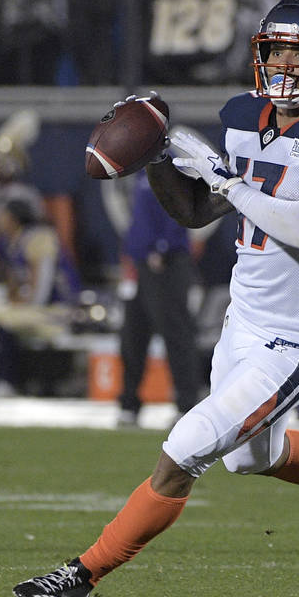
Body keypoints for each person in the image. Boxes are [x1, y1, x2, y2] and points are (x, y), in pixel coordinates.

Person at [13, 0, 299, 597]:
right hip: (243, 323)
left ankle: (81, 575)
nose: (284, 65)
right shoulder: (243, 116)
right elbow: (198, 212)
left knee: (184, 450)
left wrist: (227, 176)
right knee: (252, 458)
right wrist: (155, 159)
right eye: (275, 50)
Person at [0, 198, 80, 395]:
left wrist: (13, 306)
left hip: (58, 308)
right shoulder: (7, 241)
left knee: (1, 319)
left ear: (14, 218)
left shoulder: (40, 238)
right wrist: (5, 301)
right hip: (32, 307)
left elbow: (41, 292)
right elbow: (13, 282)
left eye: (2, 215)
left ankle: (7, 380)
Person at [116, 171, 200, 427]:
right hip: (141, 264)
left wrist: (162, 246)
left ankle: (187, 405)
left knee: (176, 335)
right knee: (132, 336)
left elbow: (181, 208)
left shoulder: (170, 166)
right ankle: (129, 404)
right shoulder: (141, 171)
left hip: (167, 263)